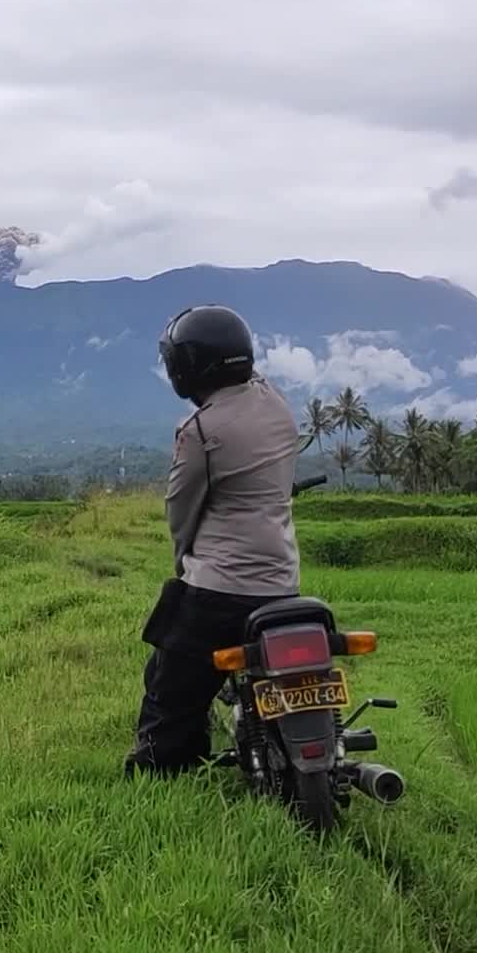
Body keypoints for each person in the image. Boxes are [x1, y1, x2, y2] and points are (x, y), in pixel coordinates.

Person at [123, 302, 304, 778]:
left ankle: (163, 768)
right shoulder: (278, 406)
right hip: (284, 584)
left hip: (219, 591)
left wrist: (184, 559)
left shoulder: (199, 431)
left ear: (187, 368)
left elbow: (180, 510)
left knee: (172, 686)